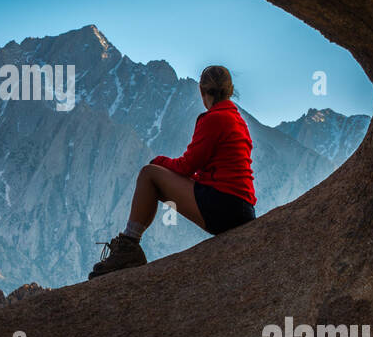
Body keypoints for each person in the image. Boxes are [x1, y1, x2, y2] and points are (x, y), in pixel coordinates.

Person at [89, 64, 256, 278]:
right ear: (230, 90)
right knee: (155, 174)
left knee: (149, 174)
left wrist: (158, 162)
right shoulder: (237, 120)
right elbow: (209, 172)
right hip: (243, 208)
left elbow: (186, 166)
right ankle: (130, 247)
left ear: (201, 91)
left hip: (224, 207)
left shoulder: (214, 119)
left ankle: (129, 247)